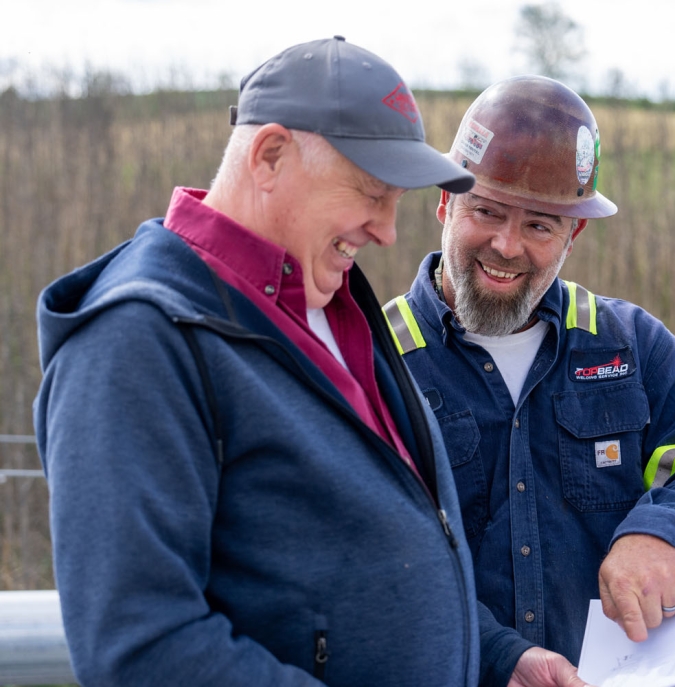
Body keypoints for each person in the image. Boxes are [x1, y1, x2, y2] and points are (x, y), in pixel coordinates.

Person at [34, 39, 589, 687]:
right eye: (371, 192)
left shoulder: (334, 303)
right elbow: (143, 645)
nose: (386, 230)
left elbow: (380, 558)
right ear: (270, 156)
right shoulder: (138, 338)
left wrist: (497, 654)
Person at [383, 75, 675, 670]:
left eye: (539, 225)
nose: (507, 246)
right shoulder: (375, 363)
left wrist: (663, 533)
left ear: (572, 233)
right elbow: (378, 568)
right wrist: (497, 660)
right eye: (487, 211)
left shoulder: (631, 346)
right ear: (444, 203)